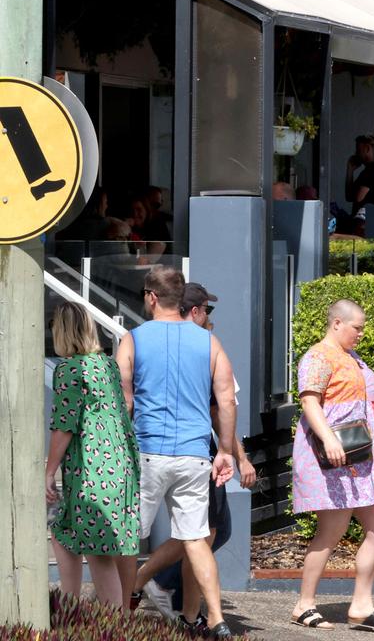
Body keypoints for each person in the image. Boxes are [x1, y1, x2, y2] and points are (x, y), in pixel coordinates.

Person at [115, 267, 236, 638]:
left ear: (151, 297)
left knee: (128, 537)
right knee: (196, 538)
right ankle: (216, 619)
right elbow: (227, 400)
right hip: (194, 453)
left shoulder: (132, 339)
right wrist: (226, 451)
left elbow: (125, 401)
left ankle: (120, 613)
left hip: (148, 451)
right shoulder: (208, 342)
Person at [289, 300, 374, 632]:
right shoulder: (319, 356)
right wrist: (328, 439)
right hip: (338, 457)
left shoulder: (350, 357)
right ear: (337, 323)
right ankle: (304, 604)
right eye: (357, 328)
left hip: (360, 457)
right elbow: (310, 400)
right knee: (332, 531)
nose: (361, 334)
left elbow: (363, 402)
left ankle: (361, 604)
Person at [46, 302, 140, 608]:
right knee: (64, 531)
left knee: (98, 552)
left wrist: (49, 472)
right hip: (118, 462)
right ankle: (70, 607)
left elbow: (64, 425)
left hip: (93, 469)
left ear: (61, 331)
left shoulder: (69, 370)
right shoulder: (107, 365)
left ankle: (111, 622)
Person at [346, 135, 374, 217]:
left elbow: (358, 198)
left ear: (367, 149)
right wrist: (350, 170)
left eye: (358, 150)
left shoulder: (373, 171)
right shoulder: (369, 171)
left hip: (368, 225)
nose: (356, 154)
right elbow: (349, 197)